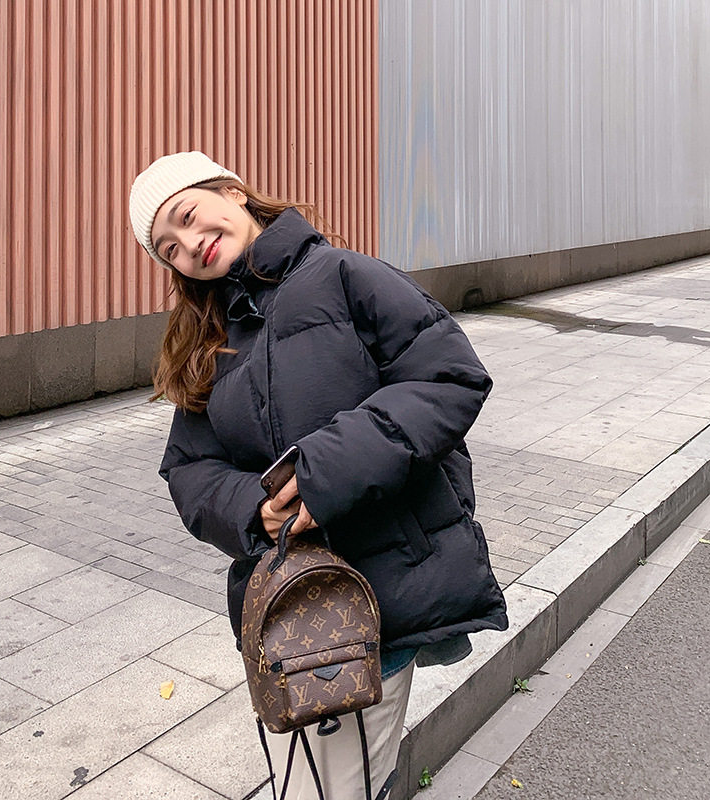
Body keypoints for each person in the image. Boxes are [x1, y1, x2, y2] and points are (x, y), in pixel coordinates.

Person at [129, 151, 508, 799]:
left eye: (188, 217)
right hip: (290, 610)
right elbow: (188, 468)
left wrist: (320, 473)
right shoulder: (209, 336)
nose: (189, 246)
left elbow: (448, 376)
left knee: (329, 786)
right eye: (170, 248)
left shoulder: (344, 275)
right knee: (320, 780)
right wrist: (253, 507)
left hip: (382, 586)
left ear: (232, 193)